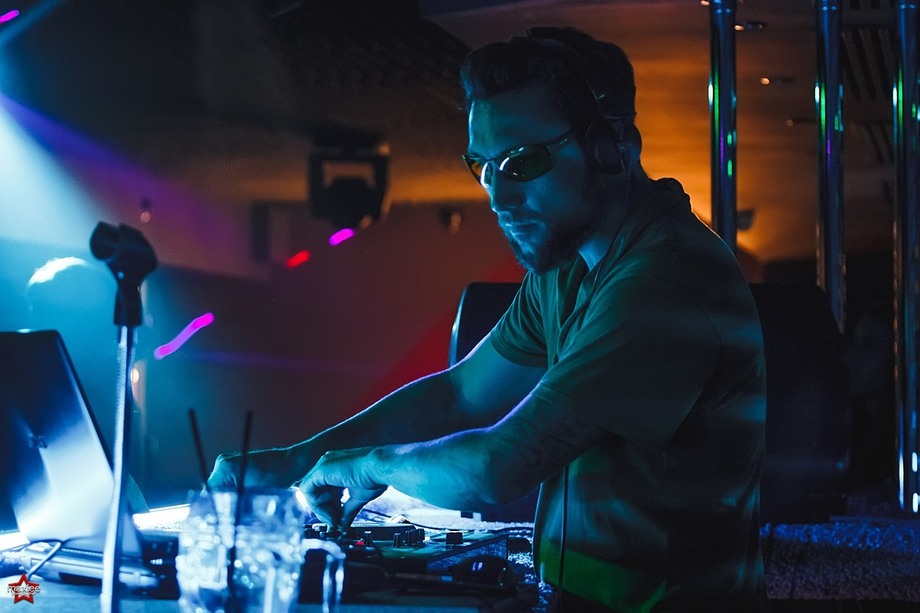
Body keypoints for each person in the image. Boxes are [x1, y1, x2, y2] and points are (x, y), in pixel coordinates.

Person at [209, 26, 767, 611]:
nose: (498, 197)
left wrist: (368, 466)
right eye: (484, 166)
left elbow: (500, 467)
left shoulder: (666, 280)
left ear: (614, 147)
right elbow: (459, 395)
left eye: (522, 162)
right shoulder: (567, 266)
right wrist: (299, 462)